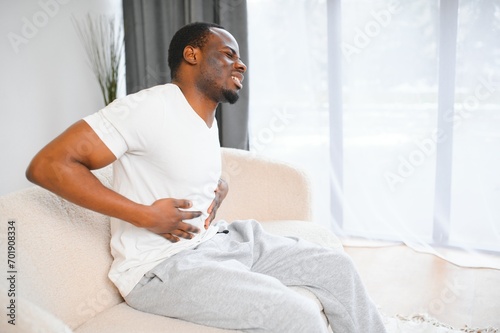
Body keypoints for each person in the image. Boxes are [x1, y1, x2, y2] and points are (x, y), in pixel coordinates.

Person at [26, 22, 386, 332]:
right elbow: (48, 165)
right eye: (228, 53)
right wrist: (144, 215)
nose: (241, 64)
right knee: (297, 316)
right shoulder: (148, 107)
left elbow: (174, 163)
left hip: (217, 241)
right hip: (161, 268)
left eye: (239, 57)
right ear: (193, 55)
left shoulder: (204, 117)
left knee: (335, 268)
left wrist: (219, 186)